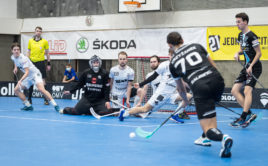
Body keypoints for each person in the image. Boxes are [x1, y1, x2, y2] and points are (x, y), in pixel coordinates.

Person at [167, 32, 233, 158]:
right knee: (210, 114)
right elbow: (213, 65)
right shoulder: (197, 46)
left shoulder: (173, 62)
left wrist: (185, 101)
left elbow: (180, 88)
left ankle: (223, 138)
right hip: (217, 80)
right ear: (182, 39)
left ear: (170, 45)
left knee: (208, 129)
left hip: (200, 87)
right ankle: (205, 139)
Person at [118, 51, 192, 122]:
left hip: (170, 94)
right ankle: (125, 113)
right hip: (161, 94)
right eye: (171, 55)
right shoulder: (164, 65)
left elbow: (182, 81)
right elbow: (153, 76)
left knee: (188, 96)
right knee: (145, 109)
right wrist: (141, 84)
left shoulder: (180, 66)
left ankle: (175, 115)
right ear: (169, 56)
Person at [230, 12, 262, 128]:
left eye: (239, 21)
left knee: (247, 91)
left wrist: (251, 66)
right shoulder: (240, 36)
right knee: (234, 90)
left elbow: (259, 53)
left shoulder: (252, 36)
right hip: (246, 67)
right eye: (236, 22)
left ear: (245, 22)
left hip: (255, 67)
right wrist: (237, 53)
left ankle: (243, 117)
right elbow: (242, 48)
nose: (237, 24)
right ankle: (248, 114)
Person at [11, 43, 60, 112]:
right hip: (28, 77)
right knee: (16, 90)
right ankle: (28, 105)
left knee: (41, 89)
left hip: (35, 74)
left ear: (20, 50)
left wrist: (20, 80)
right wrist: (15, 68)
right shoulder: (13, 56)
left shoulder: (23, 59)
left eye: (18, 49)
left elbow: (27, 72)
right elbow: (15, 60)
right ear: (12, 51)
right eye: (14, 50)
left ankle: (55, 105)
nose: (16, 51)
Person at [27, 26, 51, 105]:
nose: (38, 32)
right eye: (37, 31)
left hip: (41, 63)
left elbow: (47, 53)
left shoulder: (44, 41)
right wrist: (27, 62)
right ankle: (29, 99)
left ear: (41, 33)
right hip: (32, 63)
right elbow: (28, 52)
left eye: (40, 31)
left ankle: (46, 99)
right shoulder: (30, 41)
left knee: (43, 81)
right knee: (31, 81)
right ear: (35, 32)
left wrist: (48, 63)